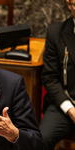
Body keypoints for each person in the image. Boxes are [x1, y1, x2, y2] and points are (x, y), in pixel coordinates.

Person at [39, 0, 75, 149]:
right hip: (65, 104)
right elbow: (50, 77)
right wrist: (70, 110)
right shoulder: (56, 33)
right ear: (69, 4)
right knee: (41, 139)